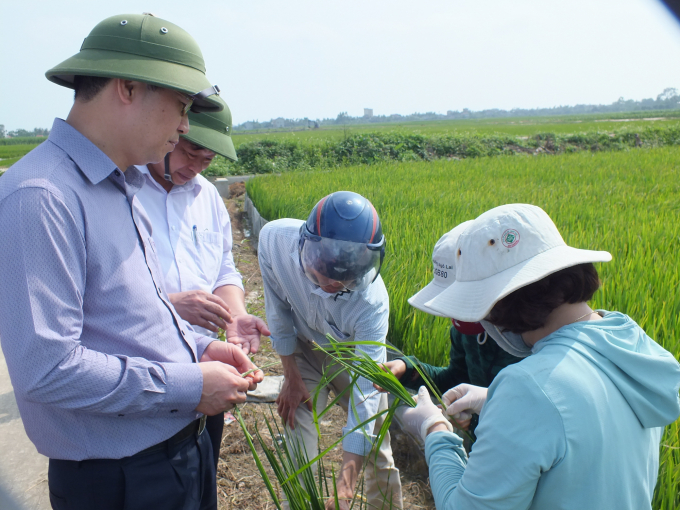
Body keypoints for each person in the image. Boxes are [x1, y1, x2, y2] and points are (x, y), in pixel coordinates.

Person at [0, 13, 263, 510]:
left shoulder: (122, 185)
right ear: (127, 87)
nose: (186, 126)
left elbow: (131, 318)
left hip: (175, 455)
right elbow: (48, 369)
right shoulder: (42, 197)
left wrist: (198, 349)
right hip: (121, 480)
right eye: (181, 106)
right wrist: (188, 383)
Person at [398, 203, 680, 509]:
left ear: (498, 305)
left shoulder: (529, 387)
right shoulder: (630, 345)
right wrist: (495, 399)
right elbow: (578, 430)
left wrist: (434, 430)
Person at [135, 98, 271, 471]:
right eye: (189, 152)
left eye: (207, 160)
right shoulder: (125, 193)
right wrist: (171, 304)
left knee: (199, 474)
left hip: (206, 367)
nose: (194, 168)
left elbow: (224, 267)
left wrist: (235, 316)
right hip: (146, 377)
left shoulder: (206, 196)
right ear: (169, 131)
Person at [258, 191, 403, 509]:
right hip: (304, 348)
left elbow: (365, 394)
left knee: (375, 441)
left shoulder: (371, 303)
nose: (330, 284)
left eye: (343, 280)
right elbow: (278, 311)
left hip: (350, 357)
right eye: (323, 273)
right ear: (306, 244)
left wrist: (345, 483)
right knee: (296, 429)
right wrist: (290, 376)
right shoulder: (275, 240)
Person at [379, 220, 520, 433]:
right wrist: (407, 369)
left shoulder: (527, 339)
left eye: (463, 301)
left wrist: (475, 419)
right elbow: (456, 379)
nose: (455, 314)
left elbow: (532, 410)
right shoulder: (464, 332)